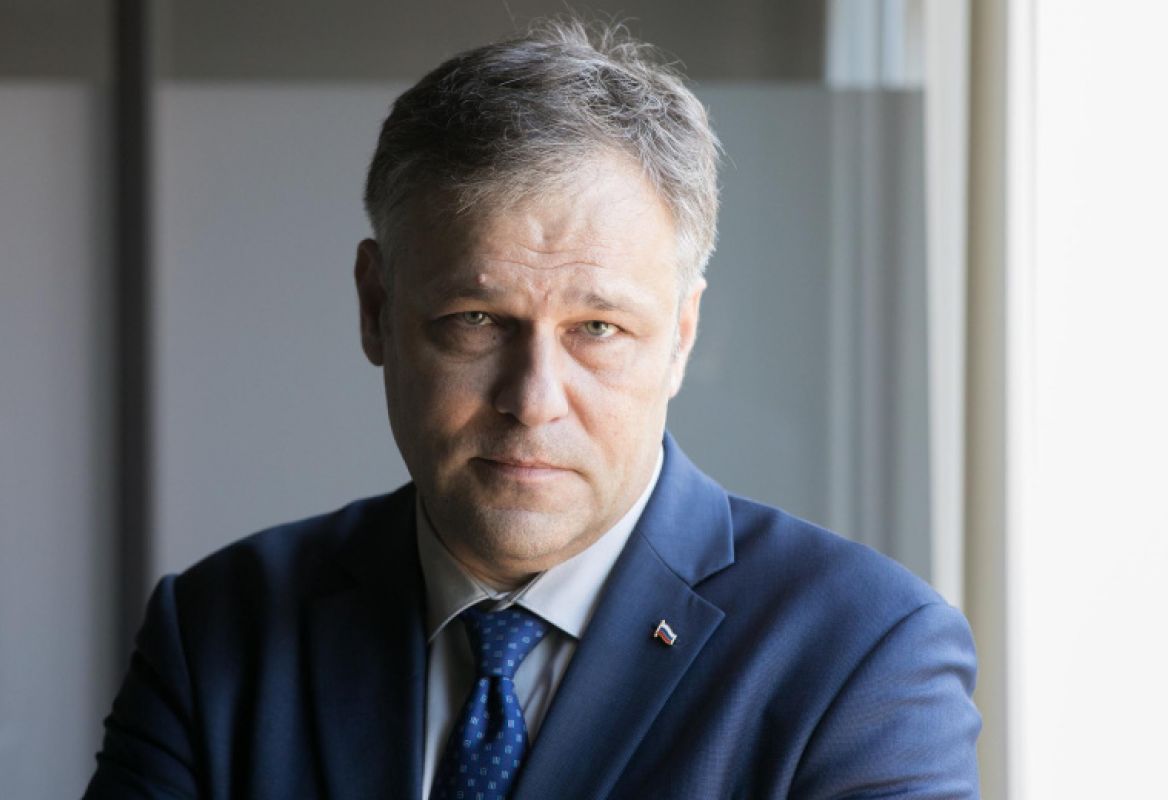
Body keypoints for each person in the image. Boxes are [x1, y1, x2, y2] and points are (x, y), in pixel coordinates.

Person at [85, 18, 980, 800]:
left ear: (680, 336)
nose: (533, 400)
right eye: (475, 321)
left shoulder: (862, 655)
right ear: (375, 308)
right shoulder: (219, 631)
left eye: (598, 328)